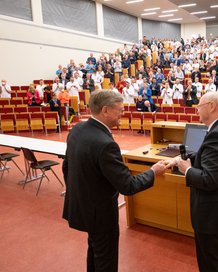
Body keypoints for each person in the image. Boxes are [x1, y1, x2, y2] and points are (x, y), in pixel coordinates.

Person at [62, 90, 166, 272]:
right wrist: (152, 171)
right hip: (100, 214)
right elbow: (128, 185)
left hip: (82, 206)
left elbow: (66, 167)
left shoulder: (77, 129)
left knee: (95, 249)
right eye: (120, 109)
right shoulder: (105, 143)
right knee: (106, 258)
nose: (123, 113)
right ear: (105, 110)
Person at [164, 92, 218, 272]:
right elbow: (212, 158)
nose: (196, 111)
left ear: (211, 106)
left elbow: (209, 179)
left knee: (210, 262)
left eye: (199, 106)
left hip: (214, 213)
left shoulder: (217, 135)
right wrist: (181, 159)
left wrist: (186, 169)